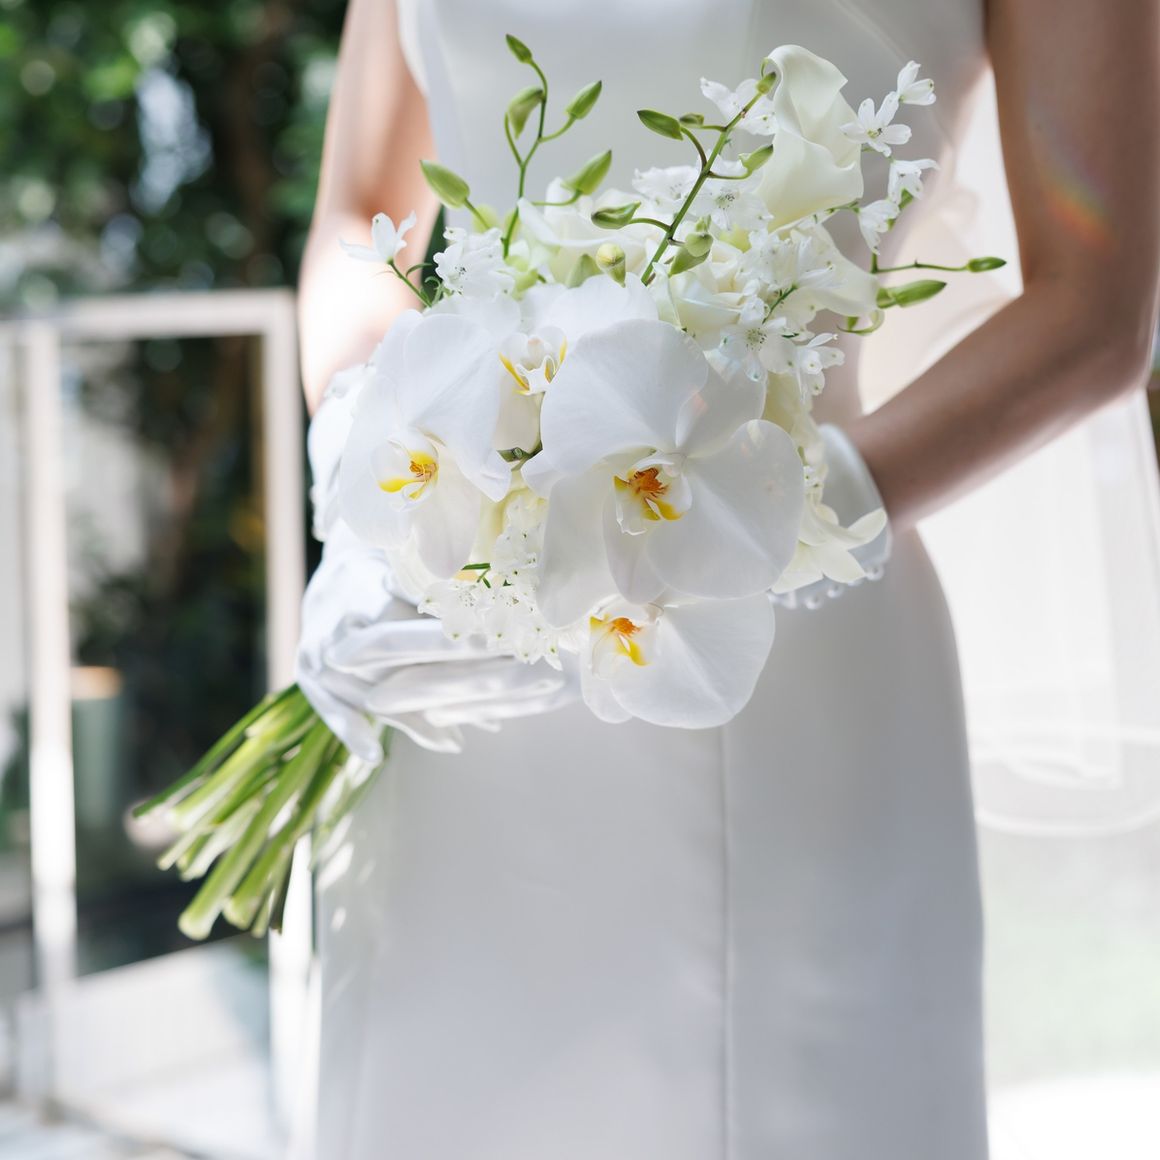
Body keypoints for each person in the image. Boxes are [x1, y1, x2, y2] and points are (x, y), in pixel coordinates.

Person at [294, 2, 1160, 1157]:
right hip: (448, 645)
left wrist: (775, 514)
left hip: (783, 662)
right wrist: (366, 488)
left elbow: (1092, 303)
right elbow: (359, 213)